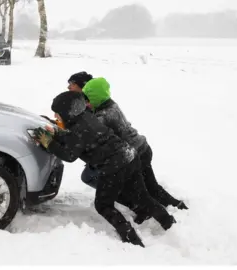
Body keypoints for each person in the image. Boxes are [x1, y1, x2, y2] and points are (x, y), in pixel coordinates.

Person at [33, 91, 177, 247]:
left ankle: (131, 240)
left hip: (114, 166)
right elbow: (73, 139)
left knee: (103, 205)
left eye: (57, 113)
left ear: (68, 113)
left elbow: (69, 155)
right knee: (142, 197)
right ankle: (170, 224)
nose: (55, 115)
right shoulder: (85, 117)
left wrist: (48, 141)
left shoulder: (79, 129)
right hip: (129, 156)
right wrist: (56, 133)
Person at [82, 77, 188, 224]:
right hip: (142, 147)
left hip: (135, 154)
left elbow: (91, 133)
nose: (85, 102)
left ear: (95, 97)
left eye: (88, 98)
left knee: (144, 191)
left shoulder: (103, 116)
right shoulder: (110, 105)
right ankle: (176, 207)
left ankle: (169, 212)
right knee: (150, 188)